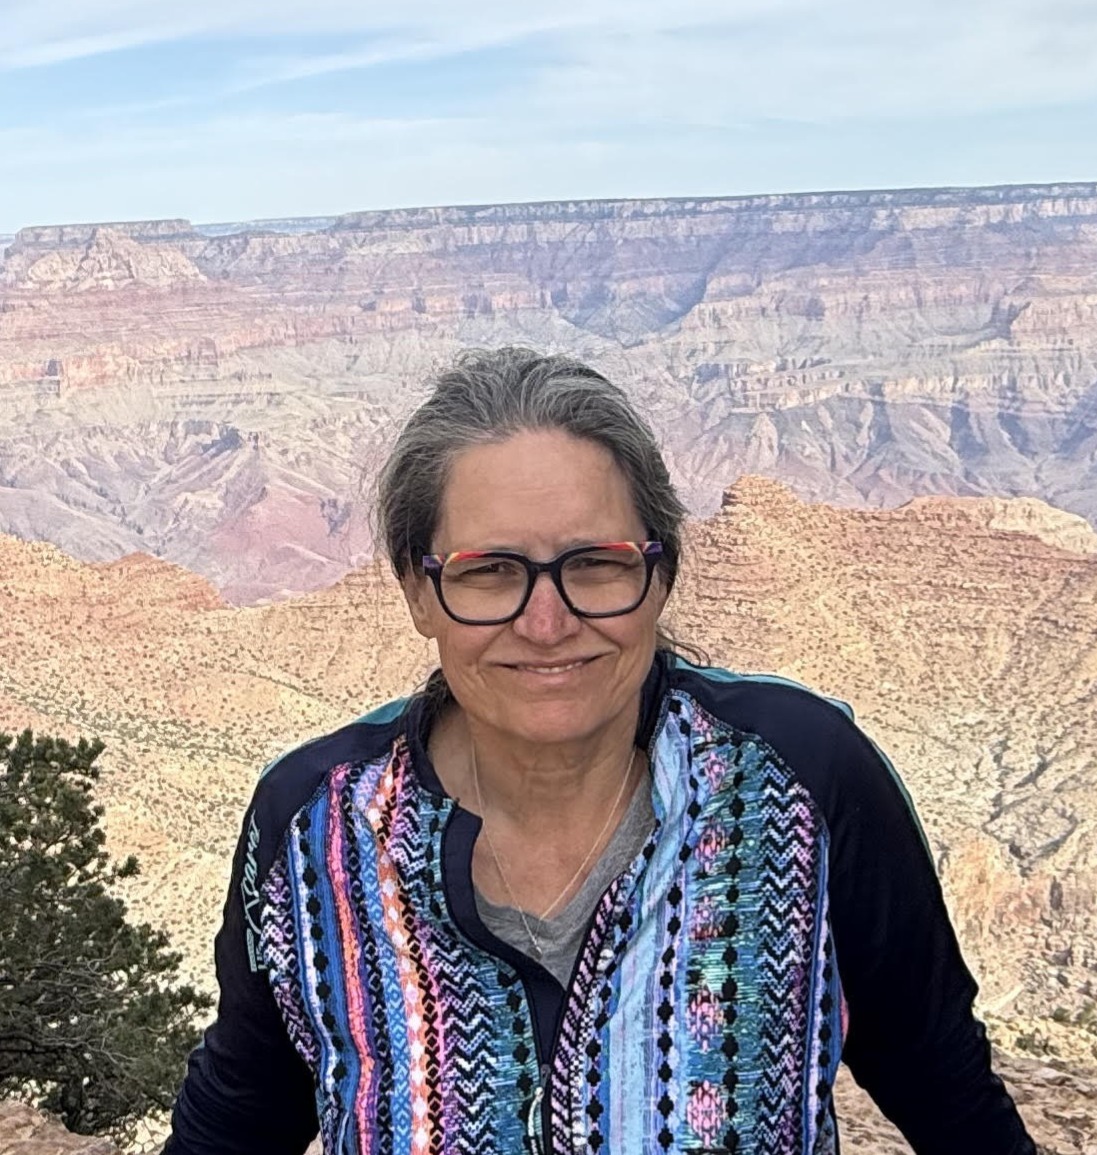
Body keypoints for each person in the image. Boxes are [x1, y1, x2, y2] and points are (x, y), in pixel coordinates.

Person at [165, 346, 1037, 1154]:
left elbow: (942, 1083)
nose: (547, 624)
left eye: (596, 564)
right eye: (489, 571)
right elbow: (241, 1112)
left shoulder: (801, 781)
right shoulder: (315, 829)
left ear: (659, 573)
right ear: (417, 591)